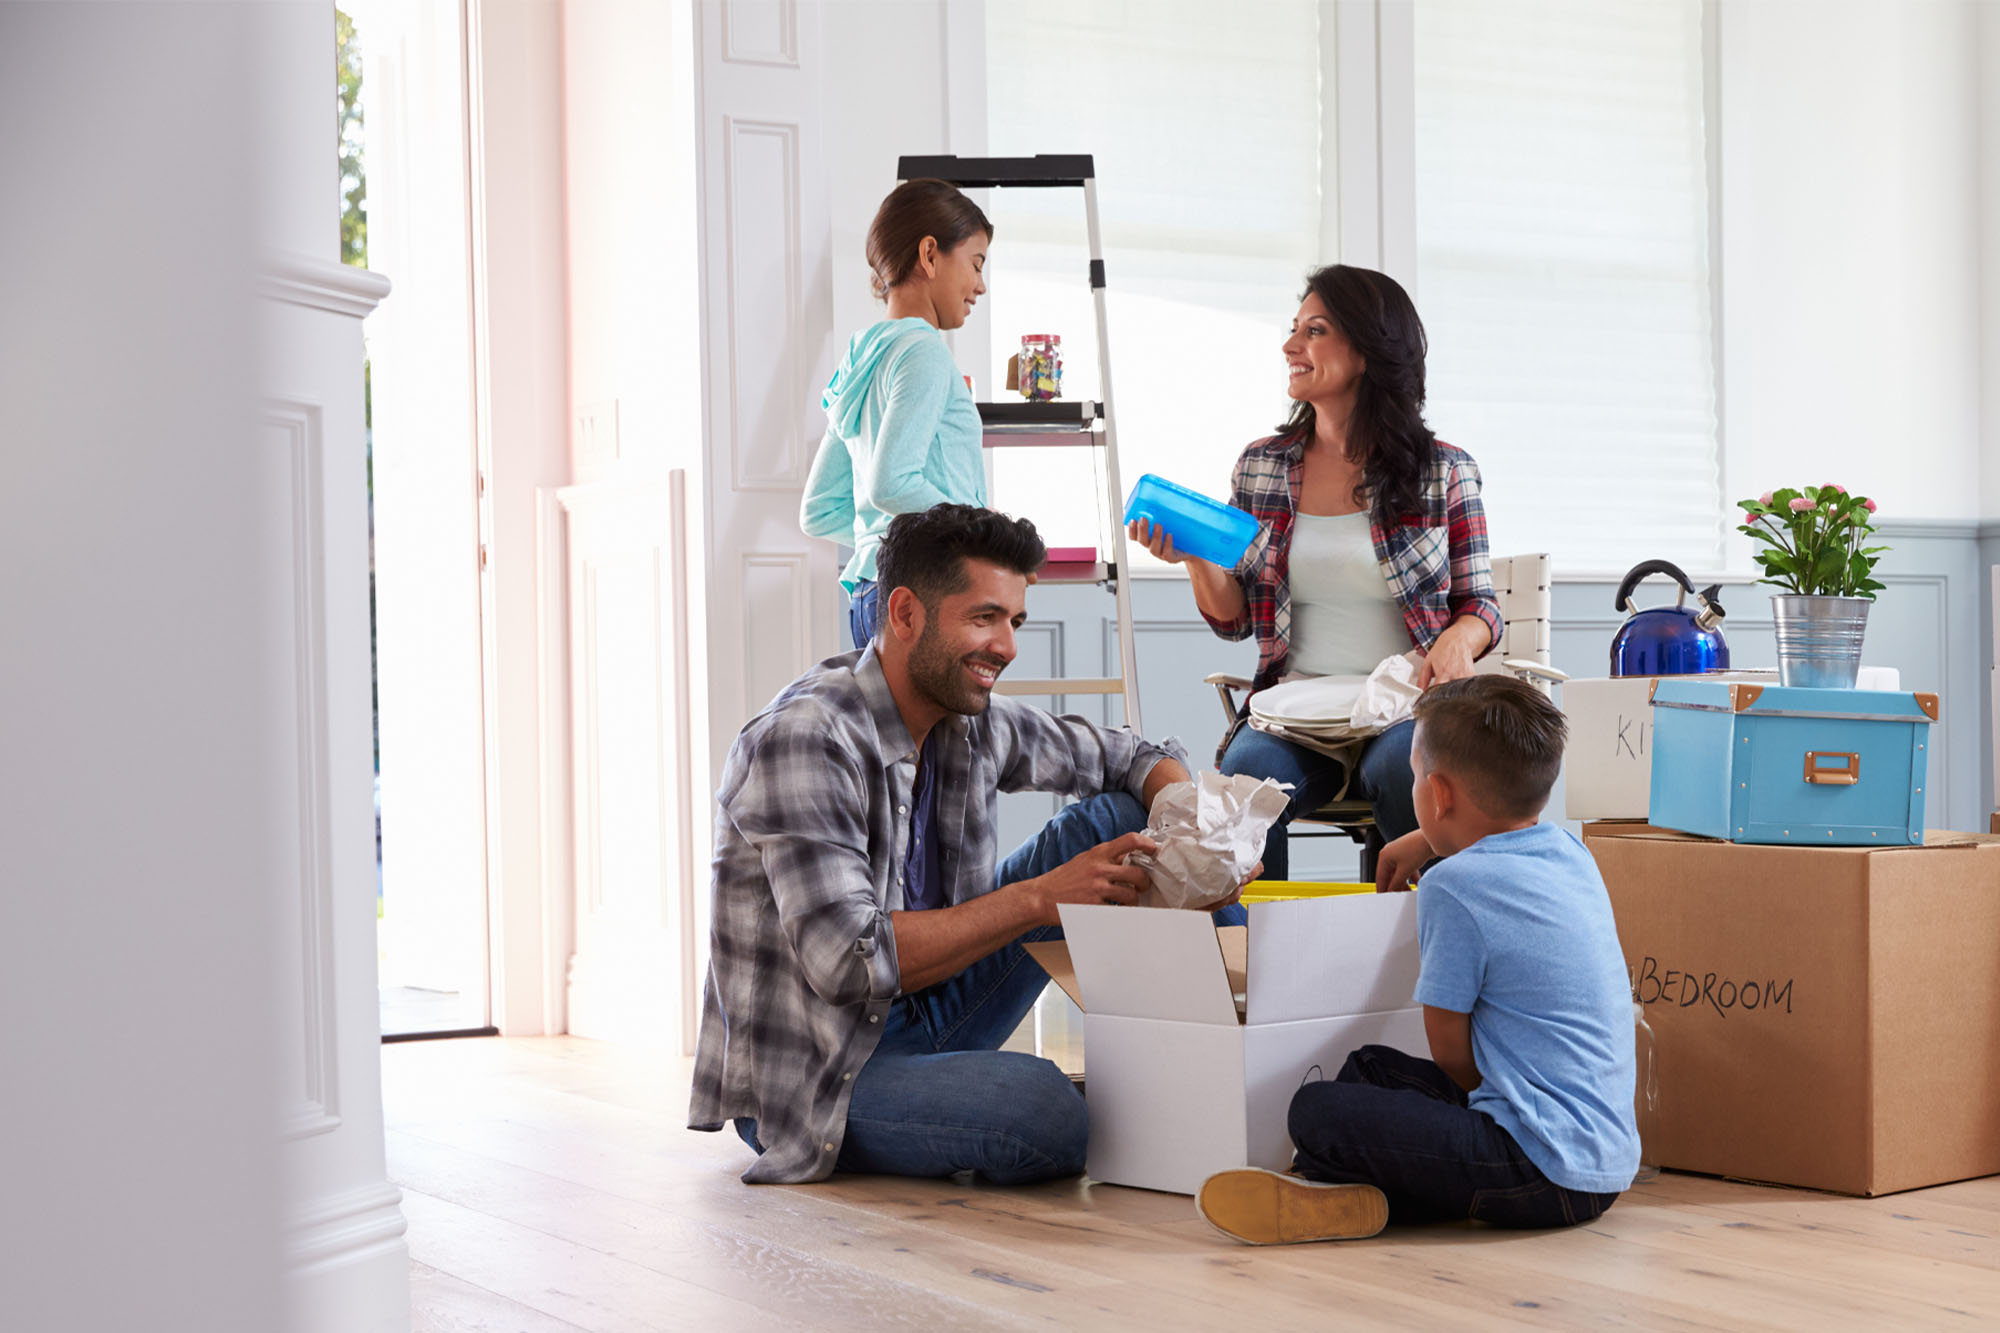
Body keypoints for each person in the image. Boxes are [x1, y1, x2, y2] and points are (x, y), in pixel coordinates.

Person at [690, 504, 1250, 1185]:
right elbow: (848, 962)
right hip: (824, 1072)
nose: (1007, 646)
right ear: (905, 614)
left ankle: (1251, 1049)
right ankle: (1178, 1100)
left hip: (936, 1007)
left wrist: (1200, 845)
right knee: (1043, 1111)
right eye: (984, 617)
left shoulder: (966, 716)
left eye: (1015, 621)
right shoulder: (805, 739)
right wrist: (1040, 899)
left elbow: (1135, 756)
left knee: (1122, 814)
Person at [1194, 675, 1640, 1242]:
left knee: (1315, 1110)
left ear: (1440, 794)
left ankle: (1331, 1190)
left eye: (1412, 777)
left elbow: (1449, 1050)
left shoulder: (1453, 886)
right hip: (1603, 1160)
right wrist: (1430, 838)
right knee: (1371, 1068)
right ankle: (1349, 1188)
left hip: (1535, 1166)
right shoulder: (1572, 853)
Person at [1128, 264, 1502, 878]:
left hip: (1406, 705)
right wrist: (1194, 555)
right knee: (1247, 783)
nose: (1290, 345)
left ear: (1367, 351)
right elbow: (1235, 620)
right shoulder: (1262, 467)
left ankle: (1414, 931)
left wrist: (1461, 638)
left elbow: (1481, 604)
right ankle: (1260, 937)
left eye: (1315, 331)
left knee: (1402, 771)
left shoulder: (1444, 471)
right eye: (1294, 328)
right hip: (1294, 707)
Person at [801, 178, 994, 648]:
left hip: (870, 595)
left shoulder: (860, 361)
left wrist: (883, 537)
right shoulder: (923, 350)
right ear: (930, 255)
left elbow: (819, 510)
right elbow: (892, 484)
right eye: (975, 263)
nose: (981, 285)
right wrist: (979, 534)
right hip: (926, 595)